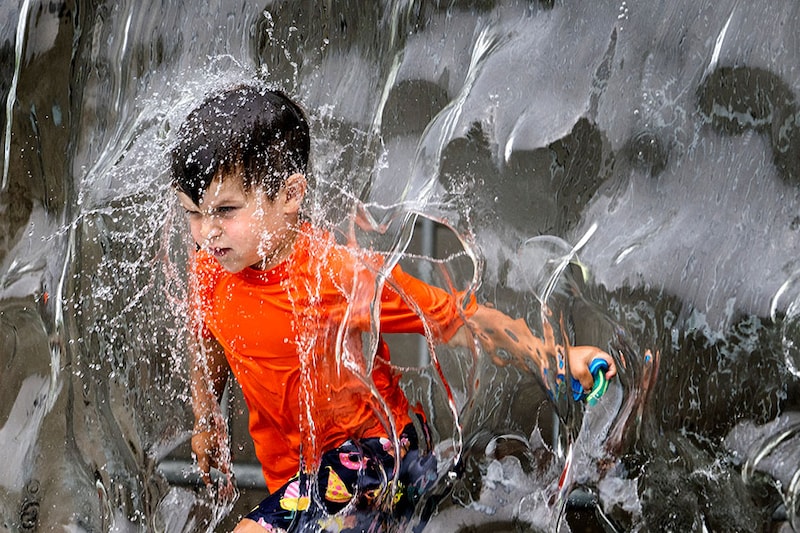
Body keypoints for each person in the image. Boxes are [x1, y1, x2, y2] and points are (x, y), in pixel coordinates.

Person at [171, 84, 616, 532]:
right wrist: (206, 418)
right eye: (193, 212)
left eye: (225, 210)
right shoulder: (210, 267)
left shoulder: (334, 276)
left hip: (379, 458)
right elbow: (208, 335)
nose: (206, 231)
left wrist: (552, 358)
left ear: (290, 196)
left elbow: (451, 317)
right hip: (299, 475)